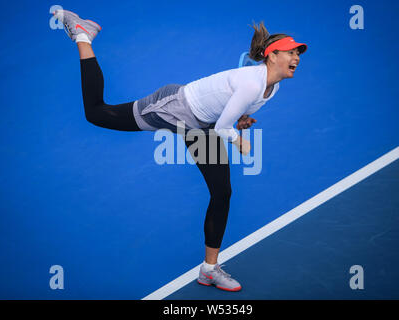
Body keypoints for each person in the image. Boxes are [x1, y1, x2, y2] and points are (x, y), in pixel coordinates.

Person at [53, 9, 307, 292]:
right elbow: (225, 127)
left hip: (202, 125)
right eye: (290, 52)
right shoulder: (252, 82)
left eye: (298, 53)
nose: (296, 57)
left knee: (222, 192)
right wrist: (240, 140)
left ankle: (209, 270)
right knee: (97, 113)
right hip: (175, 107)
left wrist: (242, 119)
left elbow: (232, 112)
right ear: (272, 55)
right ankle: (82, 35)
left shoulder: (272, 87)